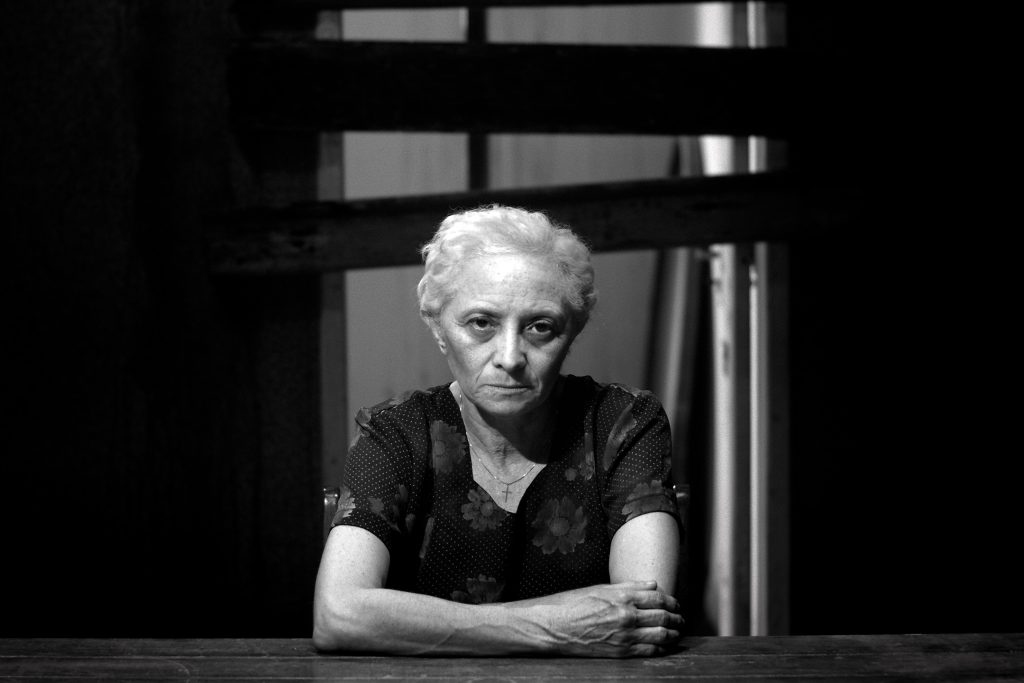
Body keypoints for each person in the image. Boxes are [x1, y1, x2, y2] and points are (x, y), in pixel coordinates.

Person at [313, 205, 683, 657]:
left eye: (540, 327)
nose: (510, 357)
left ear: (573, 331)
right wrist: (556, 625)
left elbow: (642, 616)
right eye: (481, 323)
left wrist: (421, 623)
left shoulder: (621, 421)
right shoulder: (396, 431)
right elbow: (339, 615)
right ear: (438, 327)